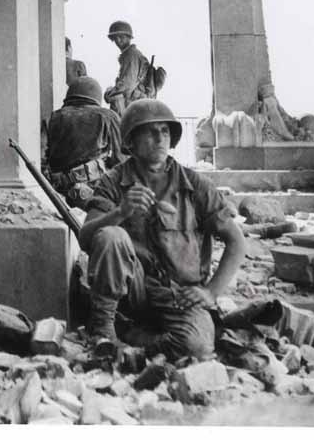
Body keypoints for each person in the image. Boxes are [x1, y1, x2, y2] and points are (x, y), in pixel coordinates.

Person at [77, 100, 245, 360]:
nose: (160, 138)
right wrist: (120, 212)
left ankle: (136, 344)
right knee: (112, 235)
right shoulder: (113, 180)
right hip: (134, 291)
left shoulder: (195, 184)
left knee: (198, 347)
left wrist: (210, 292)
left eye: (165, 131)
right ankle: (103, 331)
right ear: (131, 141)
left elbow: (236, 242)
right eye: (150, 131)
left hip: (180, 294)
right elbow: (86, 237)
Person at [44, 76, 123, 211]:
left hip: (58, 192)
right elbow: (121, 160)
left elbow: (43, 158)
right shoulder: (108, 116)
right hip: (95, 191)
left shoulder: (54, 117)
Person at [104, 20, 154, 116]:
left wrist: (109, 93)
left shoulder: (131, 55)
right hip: (138, 105)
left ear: (129, 37)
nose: (118, 40)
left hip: (135, 106)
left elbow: (127, 84)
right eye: (115, 37)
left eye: (122, 37)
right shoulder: (130, 54)